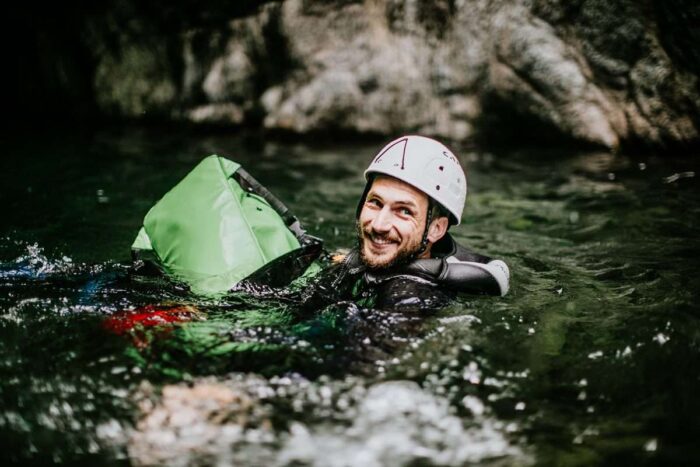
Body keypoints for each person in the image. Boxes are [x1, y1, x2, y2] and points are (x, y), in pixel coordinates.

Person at [298, 135, 510, 312]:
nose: (379, 224)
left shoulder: (409, 300)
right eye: (375, 202)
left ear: (437, 229)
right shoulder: (357, 264)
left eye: (404, 211)